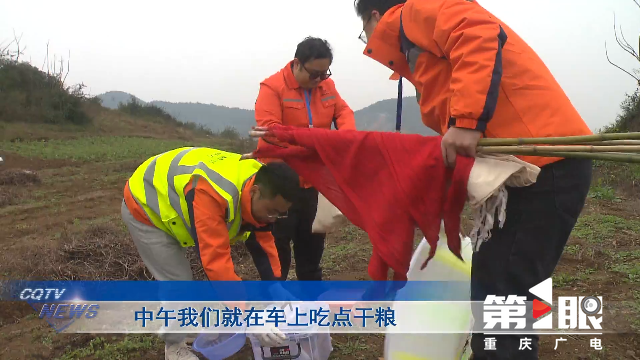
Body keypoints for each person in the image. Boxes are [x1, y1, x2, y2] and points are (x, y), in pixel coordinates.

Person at [353, 0, 593, 359]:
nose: (367, 39)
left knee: (500, 296)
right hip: (536, 168)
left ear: (375, 15)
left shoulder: (413, 13)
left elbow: (478, 34)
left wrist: (467, 122)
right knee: (508, 288)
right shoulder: (418, 48)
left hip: (539, 166)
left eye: (363, 32)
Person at [121, 146, 298, 360]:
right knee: (179, 284)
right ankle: (174, 347)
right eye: (272, 212)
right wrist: (250, 316)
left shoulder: (262, 180)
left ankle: (203, 323)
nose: (273, 219)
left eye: (280, 214)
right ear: (255, 191)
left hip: (180, 203)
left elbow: (264, 242)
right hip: (147, 207)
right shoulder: (212, 192)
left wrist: (275, 284)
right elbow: (215, 261)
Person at [254, 36, 357, 281]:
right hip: (279, 183)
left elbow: (343, 112)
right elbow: (269, 130)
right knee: (278, 253)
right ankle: (277, 307)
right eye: (314, 74)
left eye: (325, 74)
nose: (320, 80)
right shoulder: (273, 87)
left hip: (312, 181)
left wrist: (346, 138)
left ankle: (312, 306)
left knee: (311, 250)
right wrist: (315, 144)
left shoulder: (326, 87)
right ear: (298, 64)